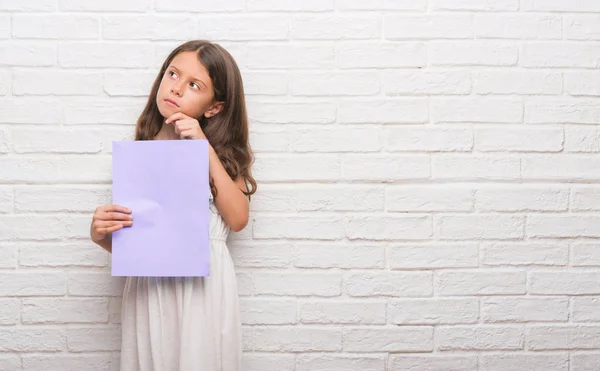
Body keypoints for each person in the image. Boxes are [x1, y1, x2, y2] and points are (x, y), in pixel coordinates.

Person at [89, 40, 256, 371]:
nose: (176, 88)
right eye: (173, 74)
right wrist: (101, 235)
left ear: (214, 107)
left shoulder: (222, 156)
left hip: (202, 291)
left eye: (194, 85)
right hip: (150, 291)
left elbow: (237, 219)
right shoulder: (140, 153)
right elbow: (140, 244)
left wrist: (204, 148)